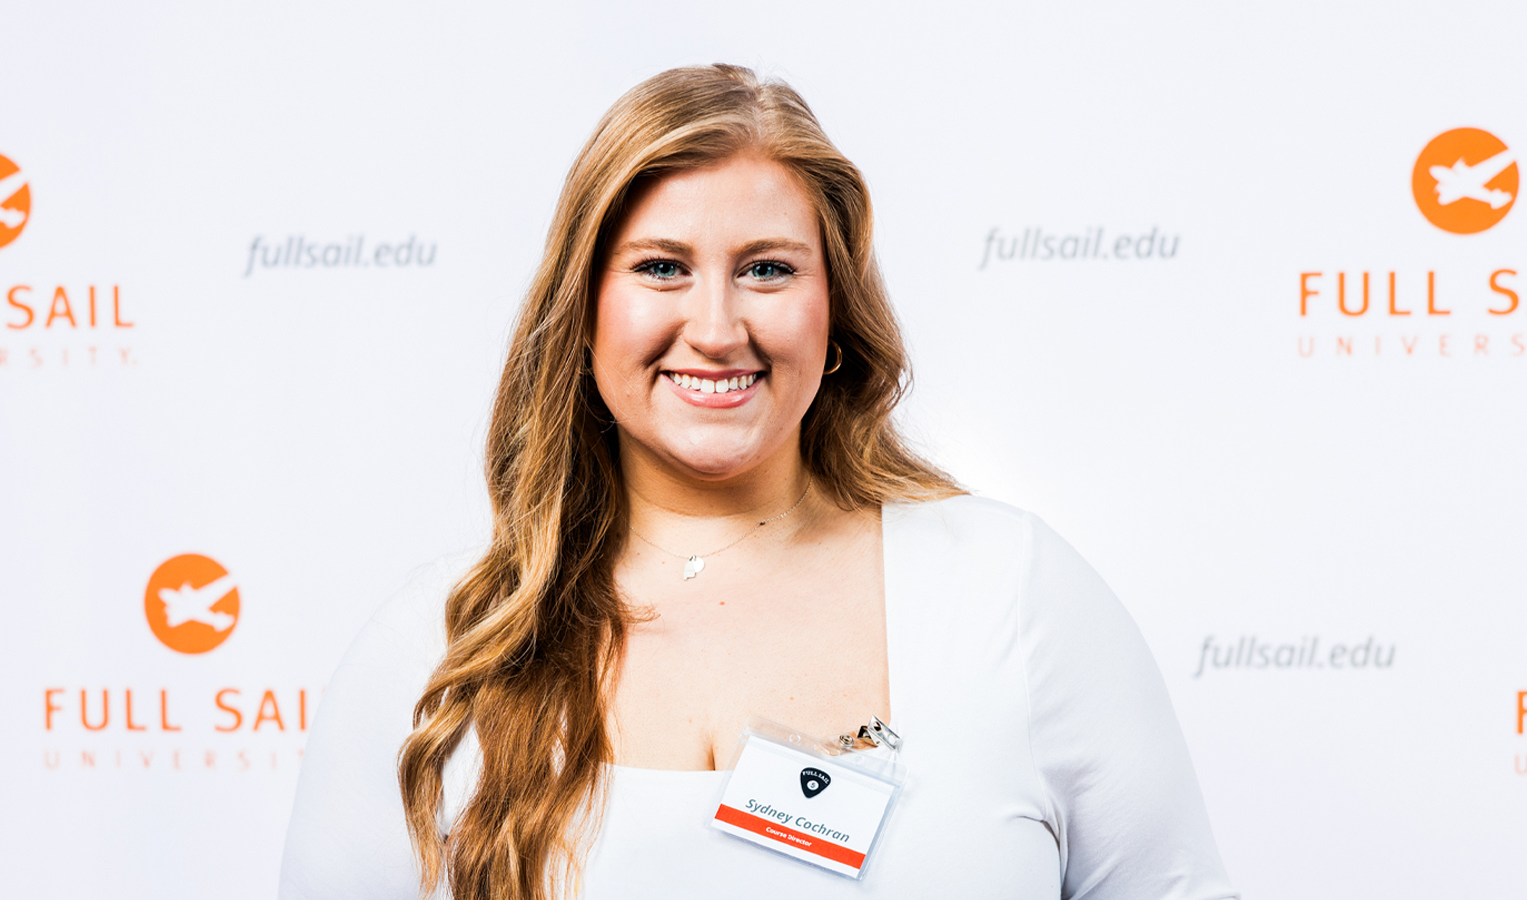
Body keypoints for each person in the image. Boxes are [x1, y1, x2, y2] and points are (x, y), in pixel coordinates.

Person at [280, 64, 1237, 900]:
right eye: (662, 267)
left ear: (836, 311)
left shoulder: (1010, 593)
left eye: (768, 270)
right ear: (583, 310)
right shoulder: (442, 647)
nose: (716, 328)